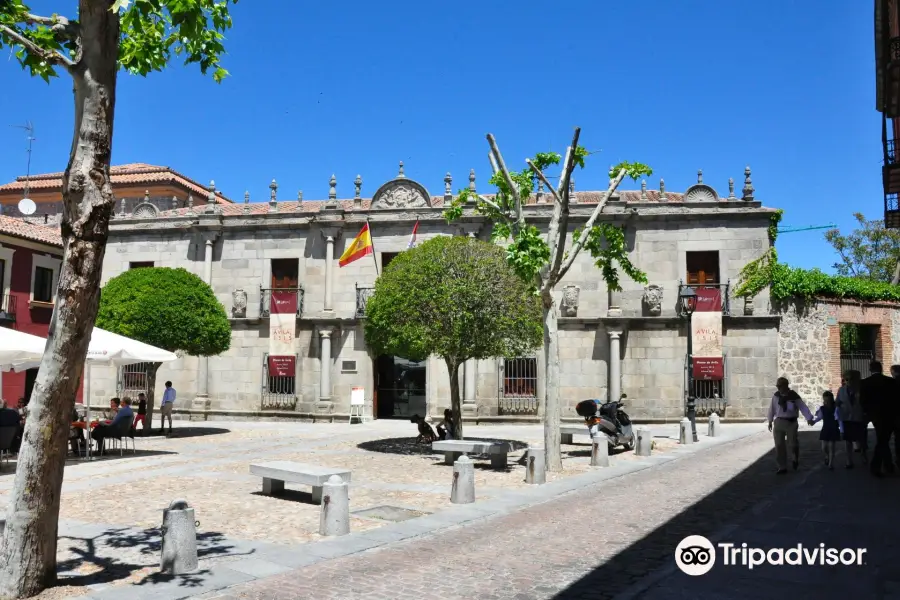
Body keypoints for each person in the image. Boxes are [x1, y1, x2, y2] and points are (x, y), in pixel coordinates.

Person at [766, 377, 814, 474]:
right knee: (779, 445)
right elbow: (772, 408)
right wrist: (770, 421)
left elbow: (802, 406)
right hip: (779, 421)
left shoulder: (793, 396)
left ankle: (795, 458)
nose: (778, 388)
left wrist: (808, 417)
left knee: (793, 444)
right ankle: (782, 467)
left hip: (791, 422)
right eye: (777, 386)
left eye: (780, 386)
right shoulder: (776, 396)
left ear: (786, 385)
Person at [860, 360, 900, 477]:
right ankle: (885, 466)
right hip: (890, 416)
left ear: (870, 369)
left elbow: (862, 402)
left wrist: (868, 415)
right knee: (883, 440)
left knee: (882, 441)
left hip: (875, 417)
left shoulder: (865, 383)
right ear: (881, 369)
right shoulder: (890, 382)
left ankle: (881, 466)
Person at [836, 370, 868, 468]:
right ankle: (849, 460)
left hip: (859, 417)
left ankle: (863, 454)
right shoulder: (841, 390)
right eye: (846, 379)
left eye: (851, 379)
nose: (848, 381)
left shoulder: (862, 390)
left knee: (861, 439)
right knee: (848, 440)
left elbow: (866, 403)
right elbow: (837, 402)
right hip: (847, 418)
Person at [809, 391, 841, 470]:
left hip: (834, 428)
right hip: (826, 428)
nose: (826, 402)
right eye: (825, 400)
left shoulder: (836, 408)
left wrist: (842, 430)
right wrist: (813, 422)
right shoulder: (822, 409)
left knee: (831, 447)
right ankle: (827, 455)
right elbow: (819, 417)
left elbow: (839, 419)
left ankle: (831, 463)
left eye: (828, 400)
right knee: (824, 447)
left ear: (831, 400)